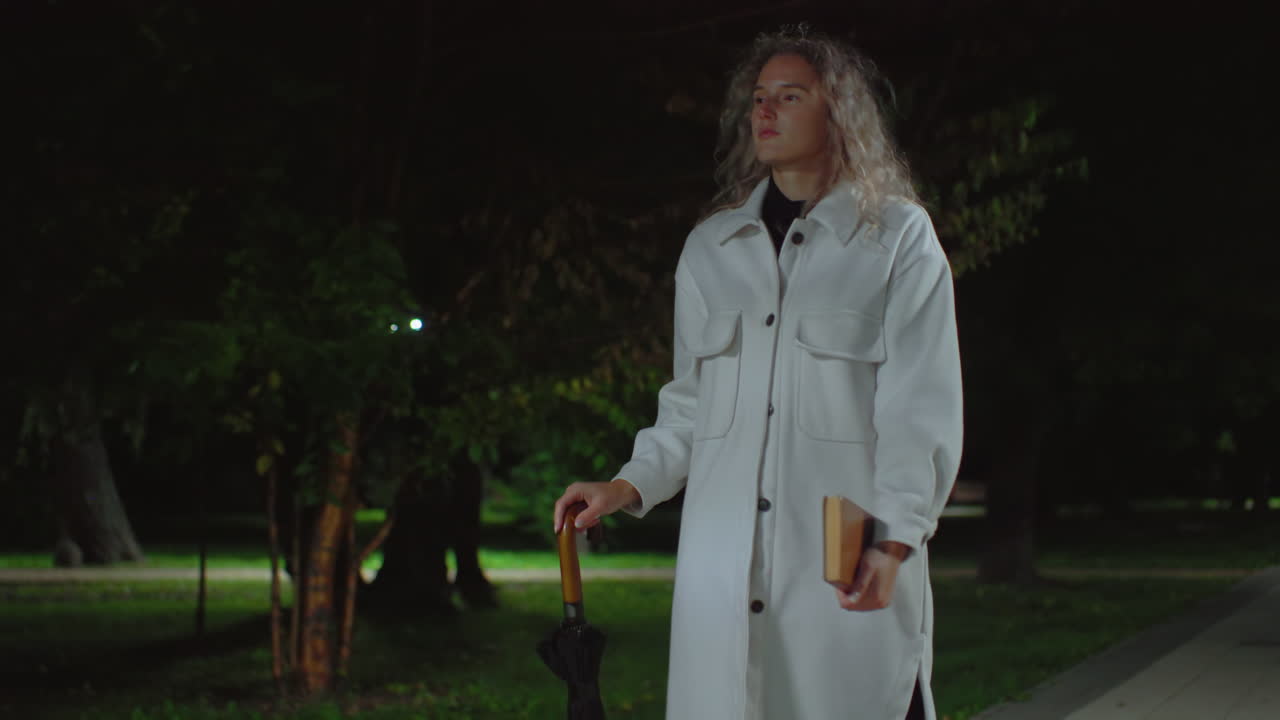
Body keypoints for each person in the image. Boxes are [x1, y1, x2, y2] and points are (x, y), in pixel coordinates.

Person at [553, 26, 962, 720]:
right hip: (720, 575)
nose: (764, 112)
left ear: (838, 112)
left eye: (790, 96)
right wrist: (624, 486)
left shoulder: (896, 239)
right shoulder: (712, 250)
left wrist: (894, 540)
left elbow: (918, 411)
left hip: (840, 567)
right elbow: (688, 407)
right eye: (759, 98)